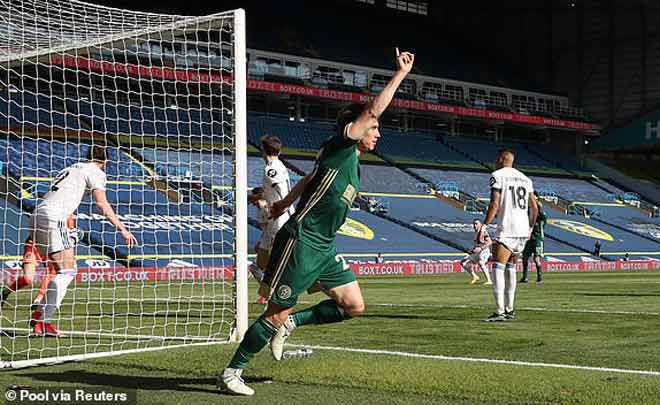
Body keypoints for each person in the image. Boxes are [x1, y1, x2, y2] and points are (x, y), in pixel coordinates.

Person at [217, 49, 415, 396]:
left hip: (323, 246)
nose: (378, 133)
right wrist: (400, 75)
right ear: (357, 127)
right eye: (374, 128)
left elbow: (309, 179)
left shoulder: (346, 159)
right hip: (303, 241)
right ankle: (233, 371)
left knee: (353, 305)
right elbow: (371, 111)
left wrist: (283, 204)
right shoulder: (342, 145)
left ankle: (292, 323)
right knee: (275, 312)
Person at [27, 145, 138, 336]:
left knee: (59, 270)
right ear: (105, 162)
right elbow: (101, 203)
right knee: (68, 271)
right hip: (54, 217)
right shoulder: (96, 172)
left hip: (37, 214)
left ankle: (40, 316)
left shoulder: (70, 168)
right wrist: (123, 229)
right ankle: (42, 320)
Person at [482, 149, 538, 322]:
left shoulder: (497, 175)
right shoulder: (525, 179)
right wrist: (529, 228)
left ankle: (500, 311)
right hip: (522, 230)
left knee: (498, 267)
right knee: (511, 268)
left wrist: (484, 225)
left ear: (500, 159)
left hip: (507, 228)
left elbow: (494, 204)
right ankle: (510, 309)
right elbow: (534, 208)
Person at [248, 135, 294, 305]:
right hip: (276, 217)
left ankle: (274, 292)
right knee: (259, 258)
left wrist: (283, 205)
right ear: (279, 150)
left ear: (262, 150)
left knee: (271, 260)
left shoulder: (271, 169)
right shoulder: (279, 166)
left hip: (278, 217)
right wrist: (255, 195)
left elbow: (282, 190)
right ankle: (269, 292)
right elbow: (273, 190)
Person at [1, 215, 75, 312]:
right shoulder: (46, 208)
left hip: (53, 245)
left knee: (53, 271)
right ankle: (5, 292)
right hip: (34, 244)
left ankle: (38, 300)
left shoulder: (68, 215)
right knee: (27, 279)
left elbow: (71, 232)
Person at [520, 196, 547, 283]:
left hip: (537, 239)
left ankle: (539, 277)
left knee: (536, 259)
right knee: (524, 258)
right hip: (528, 239)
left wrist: (535, 201)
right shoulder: (529, 215)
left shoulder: (542, 216)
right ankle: (525, 277)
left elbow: (540, 208)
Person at [460, 219, 492, 285]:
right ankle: (474, 276)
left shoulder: (483, 232)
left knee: (481, 263)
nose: (475, 225)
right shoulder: (476, 233)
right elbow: (477, 245)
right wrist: (472, 250)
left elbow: (489, 242)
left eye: (476, 224)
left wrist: (480, 248)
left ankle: (489, 280)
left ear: (480, 225)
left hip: (484, 251)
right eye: (474, 224)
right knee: (463, 262)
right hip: (477, 252)